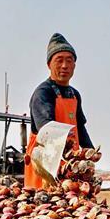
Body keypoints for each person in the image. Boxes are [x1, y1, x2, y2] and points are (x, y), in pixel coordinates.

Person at [24, 33, 94, 188]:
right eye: (59, 60)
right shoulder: (43, 93)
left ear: (74, 65)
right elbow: (47, 130)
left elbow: (80, 128)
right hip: (44, 165)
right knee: (46, 200)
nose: (64, 65)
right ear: (49, 64)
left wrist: (90, 153)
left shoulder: (75, 94)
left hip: (69, 165)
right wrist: (71, 155)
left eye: (69, 60)